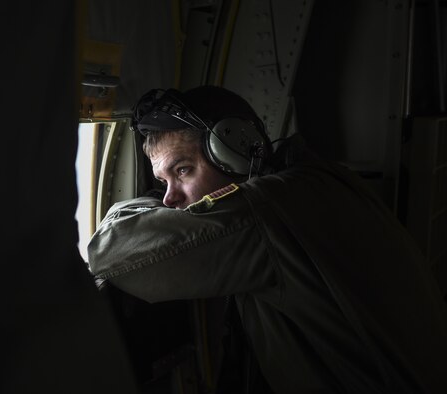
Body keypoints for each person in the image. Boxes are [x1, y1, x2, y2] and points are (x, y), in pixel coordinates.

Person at [87, 85, 447, 393]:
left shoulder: (267, 212)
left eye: (183, 170)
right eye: (162, 183)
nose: (170, 199)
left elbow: (111, 252)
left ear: (237, 153)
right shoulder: (310, 182)